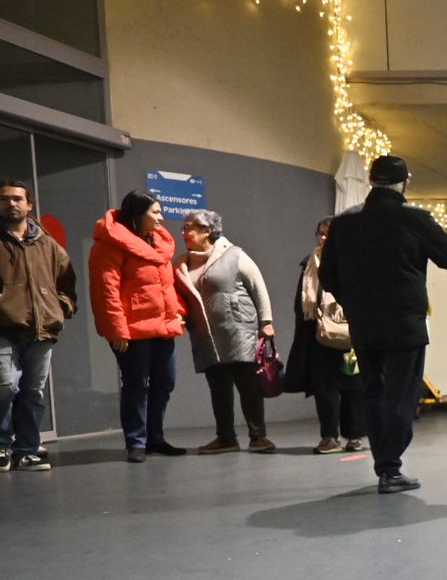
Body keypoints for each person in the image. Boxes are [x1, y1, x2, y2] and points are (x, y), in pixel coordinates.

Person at [319, 154, 447, 493]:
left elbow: (328, 276)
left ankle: (385, 465)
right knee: (401, 395)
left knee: (373, 392)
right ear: (405, 182)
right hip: (405, 324)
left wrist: (354, 302)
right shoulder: (413, 218)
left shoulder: (344, 223)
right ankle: (390, 467)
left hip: (364, 325)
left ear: (371, 181)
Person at [89, 190, 187, 463]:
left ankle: (155, 438)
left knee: (165, 382)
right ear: (137, 213)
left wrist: (178, 312)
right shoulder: (111, 243)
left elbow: (167, 286)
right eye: (155, 212)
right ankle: (136, 442)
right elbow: (105, 290)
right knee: (135, 385)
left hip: (162, 327)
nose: (161, 217)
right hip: (131, 331)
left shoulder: (158, 243)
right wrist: (117, 330)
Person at [175, 209, 277, 454]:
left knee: (248, 385)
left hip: (239, 330)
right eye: (184, 227)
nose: (184, 232)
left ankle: (258, 436)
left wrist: (266, 321)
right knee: (218, 388)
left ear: (207, 231)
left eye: (190, 227)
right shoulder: (181, 263)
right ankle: (226, 438)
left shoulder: (234, 255)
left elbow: (258, 285)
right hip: (206, 335)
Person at [0, 178, 77, 472]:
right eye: (5, 198)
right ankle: (2, 445)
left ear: (29, 205)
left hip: (42, 330)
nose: (11, 203)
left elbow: (67, 284)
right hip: (3, 328)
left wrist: (61, 308)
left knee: (34, 392)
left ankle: (27, 450)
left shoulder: (48, 245)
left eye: (18, 198)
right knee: (4, 386)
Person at [284, 216, 366, 454]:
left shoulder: (355, 262)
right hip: (317, 334)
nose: (324, 238)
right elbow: (302, 301)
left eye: (329, 233)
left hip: (348, 333)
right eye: (320, 233)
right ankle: (329, 436)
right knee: (324, 387)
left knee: (353, 385)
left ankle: (354, 436)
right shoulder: (309, 264)